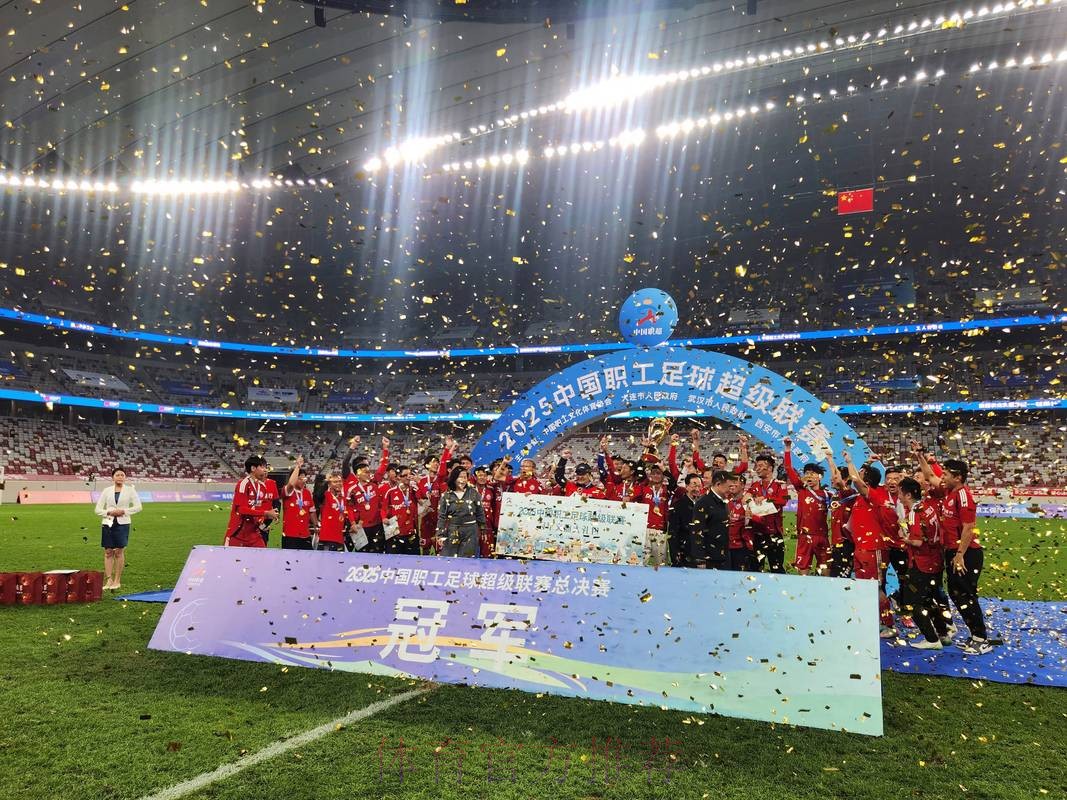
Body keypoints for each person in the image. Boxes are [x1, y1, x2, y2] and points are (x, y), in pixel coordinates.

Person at [930, 458, 992, 654]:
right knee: (956, 594)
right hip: (954, 552)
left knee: (966, 595)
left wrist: (959, 555)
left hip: (966, 554)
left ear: (957, 477)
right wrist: (921, 456)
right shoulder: (950, 492)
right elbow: (931, 476)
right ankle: (975, 635)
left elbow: (969, 528)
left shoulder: (963, 496)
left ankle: (981, 639)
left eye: (946, 474)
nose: (942, 477)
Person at [838, 451, 896, 637]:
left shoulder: (875, 495)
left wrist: (849, 461)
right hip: (861, 548)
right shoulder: (860, 497)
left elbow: (857, 480)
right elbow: (857, 479)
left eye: (861, 474)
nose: (857, 475)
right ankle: (871, 620)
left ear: (867, 481)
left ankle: (889, 624)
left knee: (875, 587)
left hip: (874, 549)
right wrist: (867, 463)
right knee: (863, 586)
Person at [897, 477, 951, 650]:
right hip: (935, 560)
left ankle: (931, 639)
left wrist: (904, 538)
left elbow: (918, 541)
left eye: (900, 492)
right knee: (928, 599)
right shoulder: (928, 507)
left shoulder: (915, 513)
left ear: (907, 495)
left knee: (912, 602)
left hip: (921, 563)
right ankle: (943, 634)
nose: (898, 495)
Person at [783, 439, 831, 576]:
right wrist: (788, 448)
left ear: (820, 477)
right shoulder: (801, 490)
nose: (809, 476)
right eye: (807, 473)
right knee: (803, 574)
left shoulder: (827, 495)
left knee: (826, 572)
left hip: (822, 537)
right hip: (805, 537)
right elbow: (788, 468)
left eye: (812, 473)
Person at [94, 467, 143, 591]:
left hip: (123, 523)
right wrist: (109, 512)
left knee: (119, 552)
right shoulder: (106, 491)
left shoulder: (130, 490)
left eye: (122, 475)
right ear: (113, 477)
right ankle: (109, 580)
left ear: (125, 477)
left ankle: (117, 580)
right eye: (117, 475)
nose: (120, 477)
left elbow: (138, 507)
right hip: (108, 522)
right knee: (108, 552)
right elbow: (97, 509)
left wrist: (124, 511)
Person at [745, 454, 789, 573]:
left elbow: (784, 500)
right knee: (755, 569)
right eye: (756, 466)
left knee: (777, 568)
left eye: (760, 466)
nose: (757, 468)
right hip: (757, 534)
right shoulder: (755, 485)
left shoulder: (780, 484)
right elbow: (745, 499)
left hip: (774, 534)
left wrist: (765, 499)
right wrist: (749, 500)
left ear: (769, 468)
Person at [225, 456, 278, 549]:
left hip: (254, 534)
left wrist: (267, 518)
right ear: (253, 468)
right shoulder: (243, 484)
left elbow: (259, 509)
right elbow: (241, 509)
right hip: (238, 534)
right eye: (262, 467)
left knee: (263, 557)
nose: (265, 470)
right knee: (234, 559)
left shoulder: (262, 487)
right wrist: (266, 513)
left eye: (266, 467)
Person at [436, 466, 487, 557]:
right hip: (453, 530)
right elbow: (442, 516)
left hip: (471, 531)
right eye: (460, 477)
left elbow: (480, 513)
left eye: (465, 477)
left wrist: (483, 530)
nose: (462, 480)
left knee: (468, 558)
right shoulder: (446, 495)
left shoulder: (473, 493)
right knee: (450, 558)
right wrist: (440, 534)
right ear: (454, 478)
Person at [416, 436, 453, 554]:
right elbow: (418, 496)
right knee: (425, 548)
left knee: (440, 548)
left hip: (439, 519)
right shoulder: (421, 481)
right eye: (433, 462)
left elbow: (444, 465)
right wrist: (421, 502)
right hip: (426, 518)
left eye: (437, 462)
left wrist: (448, 449)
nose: (436, 464)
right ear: (426, 465)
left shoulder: (441, 479)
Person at [693, 470, 732, 569]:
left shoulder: (723, 502)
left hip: (723, 556)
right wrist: (700, 559)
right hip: (709, 559)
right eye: (729, 487)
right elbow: (697, 531)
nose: (730, 490)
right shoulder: (703, 502)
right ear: (718, 484)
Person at [380, 465, 419, 555]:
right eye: (405, 475)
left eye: (409, 474)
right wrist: (384, 518)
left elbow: (423, 499)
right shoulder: (390, 492)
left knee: (413, 560)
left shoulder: (413, 490)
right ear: (398, 477)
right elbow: (383, 509)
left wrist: (418, 484)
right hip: (395, 533)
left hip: (411, 533)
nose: (408, 477)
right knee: (393, 560)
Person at [281, 455, 317, 550]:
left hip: (305, 534)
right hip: (290, 534)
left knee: (308, 558)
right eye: (300, 479)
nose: (303, 481)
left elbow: (312, 511)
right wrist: (298, 466)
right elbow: (291, 484)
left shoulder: (307, 493)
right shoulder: (288, 491)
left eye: (304, 479)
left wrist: (316, 525)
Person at [668, 474, 703, 567]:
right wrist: (675, 553)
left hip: (700, 553)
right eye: (694, 485)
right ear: (687, 487)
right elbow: (673, 532)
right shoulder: (678, 506)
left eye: (699, 486)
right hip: (684, 551)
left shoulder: (704, 505)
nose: (697, 489)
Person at [317, 469, 355, 551]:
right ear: (329, 484)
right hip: (327, 538)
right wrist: (326, 481)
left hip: (339, 538)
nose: (338, 483)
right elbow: (318, 494)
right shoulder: (326, 495)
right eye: (335, 482)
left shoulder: (343, 498)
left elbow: (349, 511)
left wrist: (353, 524)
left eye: (340, 481)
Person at [644, 463, 673, 567]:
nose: (656, 476)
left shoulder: (667, 490)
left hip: (660, 530)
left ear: (663, 475)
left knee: (660, 563)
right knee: (642, 561)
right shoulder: (644, 488)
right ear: (650, 475)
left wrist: (664, 469)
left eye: (659, 473)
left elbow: (674, 482)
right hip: (645, 529)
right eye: (653, 473)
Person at [724, 474, 752, 570]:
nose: (732, 485)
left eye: (735, 482)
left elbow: (755, 522)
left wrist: (748, 517)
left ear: (743, 485)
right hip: (726, 546)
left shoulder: (748, 502)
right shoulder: (726, 502)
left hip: (741, 547)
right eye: (731, 482)